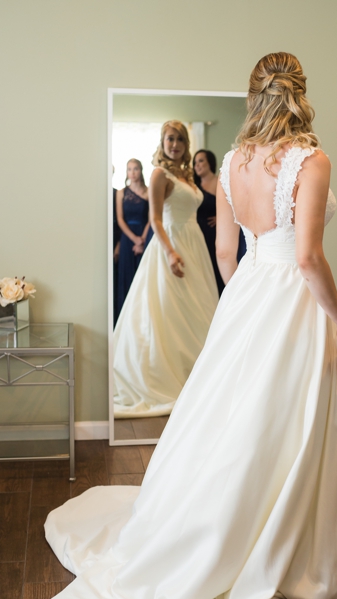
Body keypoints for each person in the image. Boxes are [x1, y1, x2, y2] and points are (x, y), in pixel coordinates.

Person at [43, 52, 337, 599]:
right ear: (301, 95)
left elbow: (226, 254)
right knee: (288, 422)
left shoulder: (232, 163)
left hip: (250, 290)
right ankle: (287, 543)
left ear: (253, 97)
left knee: (235, 419)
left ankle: (222, 522)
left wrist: (244, 306)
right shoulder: (312, 160)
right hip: (295, 300)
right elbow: (307, 258)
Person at [111, 121, 219, 418]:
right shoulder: (160, 173)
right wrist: (171, 252)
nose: (175, 144)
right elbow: (155, 219)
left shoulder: (187, 174)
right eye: (170, 139)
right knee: (167, 313)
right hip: (170, 244)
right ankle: (164, 376)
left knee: (196, 309)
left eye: (180, 140)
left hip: (194, 244)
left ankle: (197, 375)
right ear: (162, 142)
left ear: (187, 143)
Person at [114, 159, 151, 323]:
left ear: (141, 170)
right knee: (127, 277)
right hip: (128, 238)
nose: (133, 172)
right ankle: (127, 319)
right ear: (126, 172)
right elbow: (120, 220)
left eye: (135, 169)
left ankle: (144, 317)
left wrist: (142, 239)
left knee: (144, 277)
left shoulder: (149, 192)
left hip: (146, 235)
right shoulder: (121, 193)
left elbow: (152, 218)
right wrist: (134, 239)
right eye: (129, 169)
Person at [193, 149, 227, 294]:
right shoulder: (193, 184)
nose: (197, 165)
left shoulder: (219, 181)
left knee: (213, 269)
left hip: (212, 233)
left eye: (201, 161)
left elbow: (231, 205)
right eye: (195, 163)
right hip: (195, 232)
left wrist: (221, 218)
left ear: (210, 162)